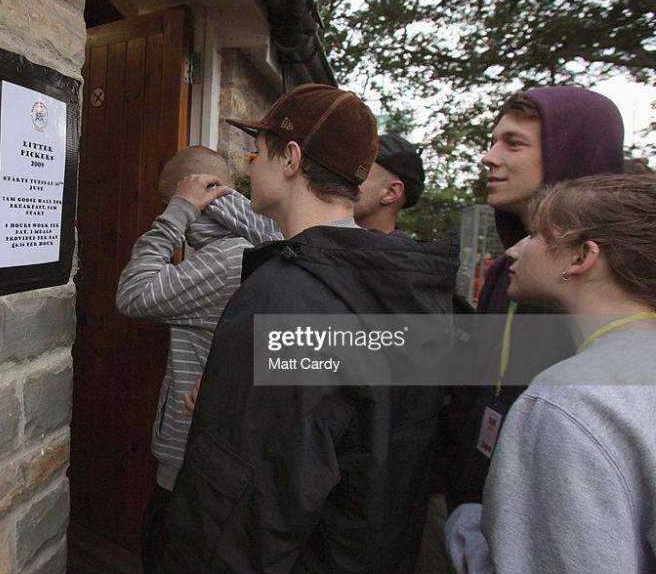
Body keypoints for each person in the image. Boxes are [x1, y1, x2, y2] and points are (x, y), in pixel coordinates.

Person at [156, 84, 459, 574]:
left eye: (257, 152)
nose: (247, 166)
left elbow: (243, 507)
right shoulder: (403, 288)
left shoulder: (286, 297)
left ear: (291, 158)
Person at [445, 173, 656, 574]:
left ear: (580, 257)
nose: (514, 251)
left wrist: (466, 527)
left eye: (536, 235)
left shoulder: (569, 401)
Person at [445, 87, 624, 509]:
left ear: (572, 153)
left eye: (514, 143)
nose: (489, 158)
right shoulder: (503, 273)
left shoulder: (623, 286)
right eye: (492, 142)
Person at [114, 145, 238, 574]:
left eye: (168, 202)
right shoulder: (239, 248)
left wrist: (174, 216)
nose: (168, 213)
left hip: (190, 468)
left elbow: (132, 296)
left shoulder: (225, 260)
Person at [206, 132, 426, 244]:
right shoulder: (315, 239)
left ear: (391, 193)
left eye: (360, 172)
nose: (344, 176)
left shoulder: (397, 270)